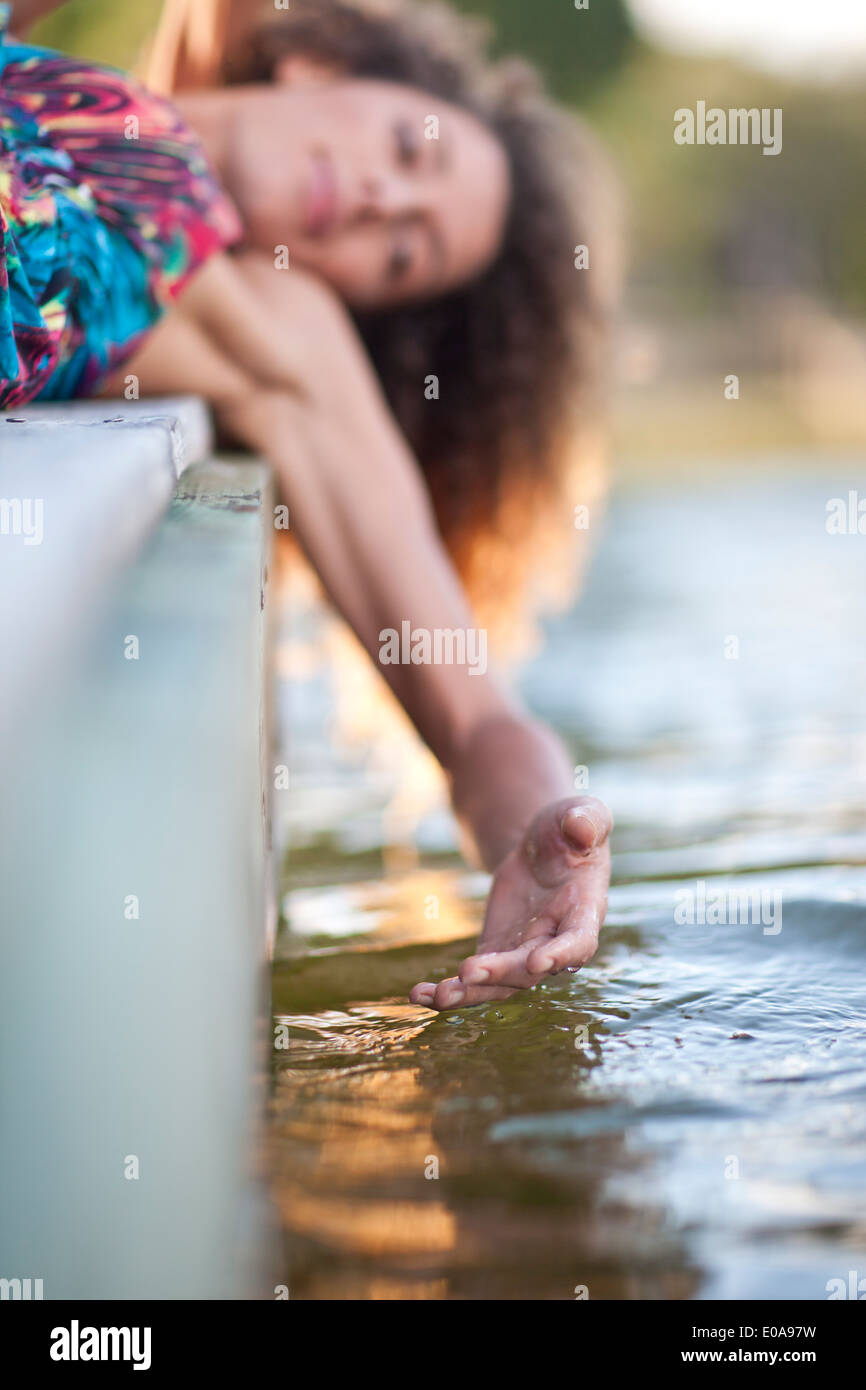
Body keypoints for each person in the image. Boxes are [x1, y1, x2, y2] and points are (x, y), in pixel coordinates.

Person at [1, 0, 618, 1010]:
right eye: (408, 147)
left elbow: (474, 716)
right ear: (319, 63)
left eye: (406, 254)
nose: (382, 201)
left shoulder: (269, 329)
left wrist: (548, 823)